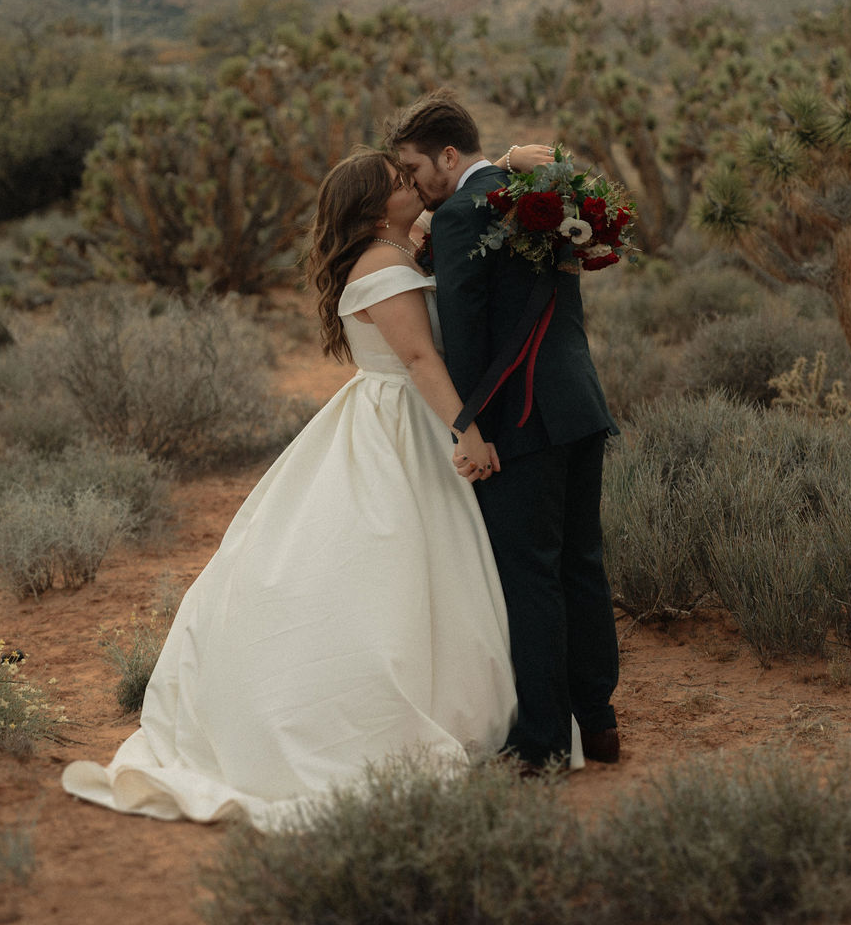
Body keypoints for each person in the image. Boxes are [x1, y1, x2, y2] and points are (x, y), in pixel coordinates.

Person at [62, 142, 549, 829]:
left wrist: (499, 160)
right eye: (398, 181)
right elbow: (416, 358)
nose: (413, 183)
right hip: (402, 421)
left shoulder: (395, 248)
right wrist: (466, 430)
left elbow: (457, 190)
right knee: (388, 566)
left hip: (388, 415)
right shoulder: (383, 265)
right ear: (375, 206)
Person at [386, 92, 621, 772]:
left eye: (414, 167)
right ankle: (598, 722)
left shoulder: (461, 214)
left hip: (519, 420)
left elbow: (463, 338)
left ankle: (545, 741)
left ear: (449, 156)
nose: (412, 183)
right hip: (578, 405)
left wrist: (466, 425)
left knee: (530, 578)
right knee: (582, 565)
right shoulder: (539, 191)